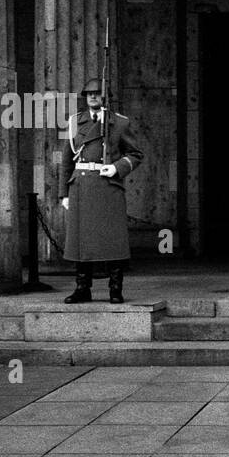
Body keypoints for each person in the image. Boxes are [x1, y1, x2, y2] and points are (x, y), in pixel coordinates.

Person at [59, 78, 143, 304]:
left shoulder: (120, 123)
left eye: (97, 93)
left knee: (112, 241)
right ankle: (82, 288)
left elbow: (136, 154)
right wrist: (64, 194)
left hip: (108, 185)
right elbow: (67, 160)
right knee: (81, 242)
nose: (93, 97)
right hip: (82, 186)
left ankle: (115, 289)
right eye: (89, 94)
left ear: (105, 96)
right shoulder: (76, 122)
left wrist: (116, 167)